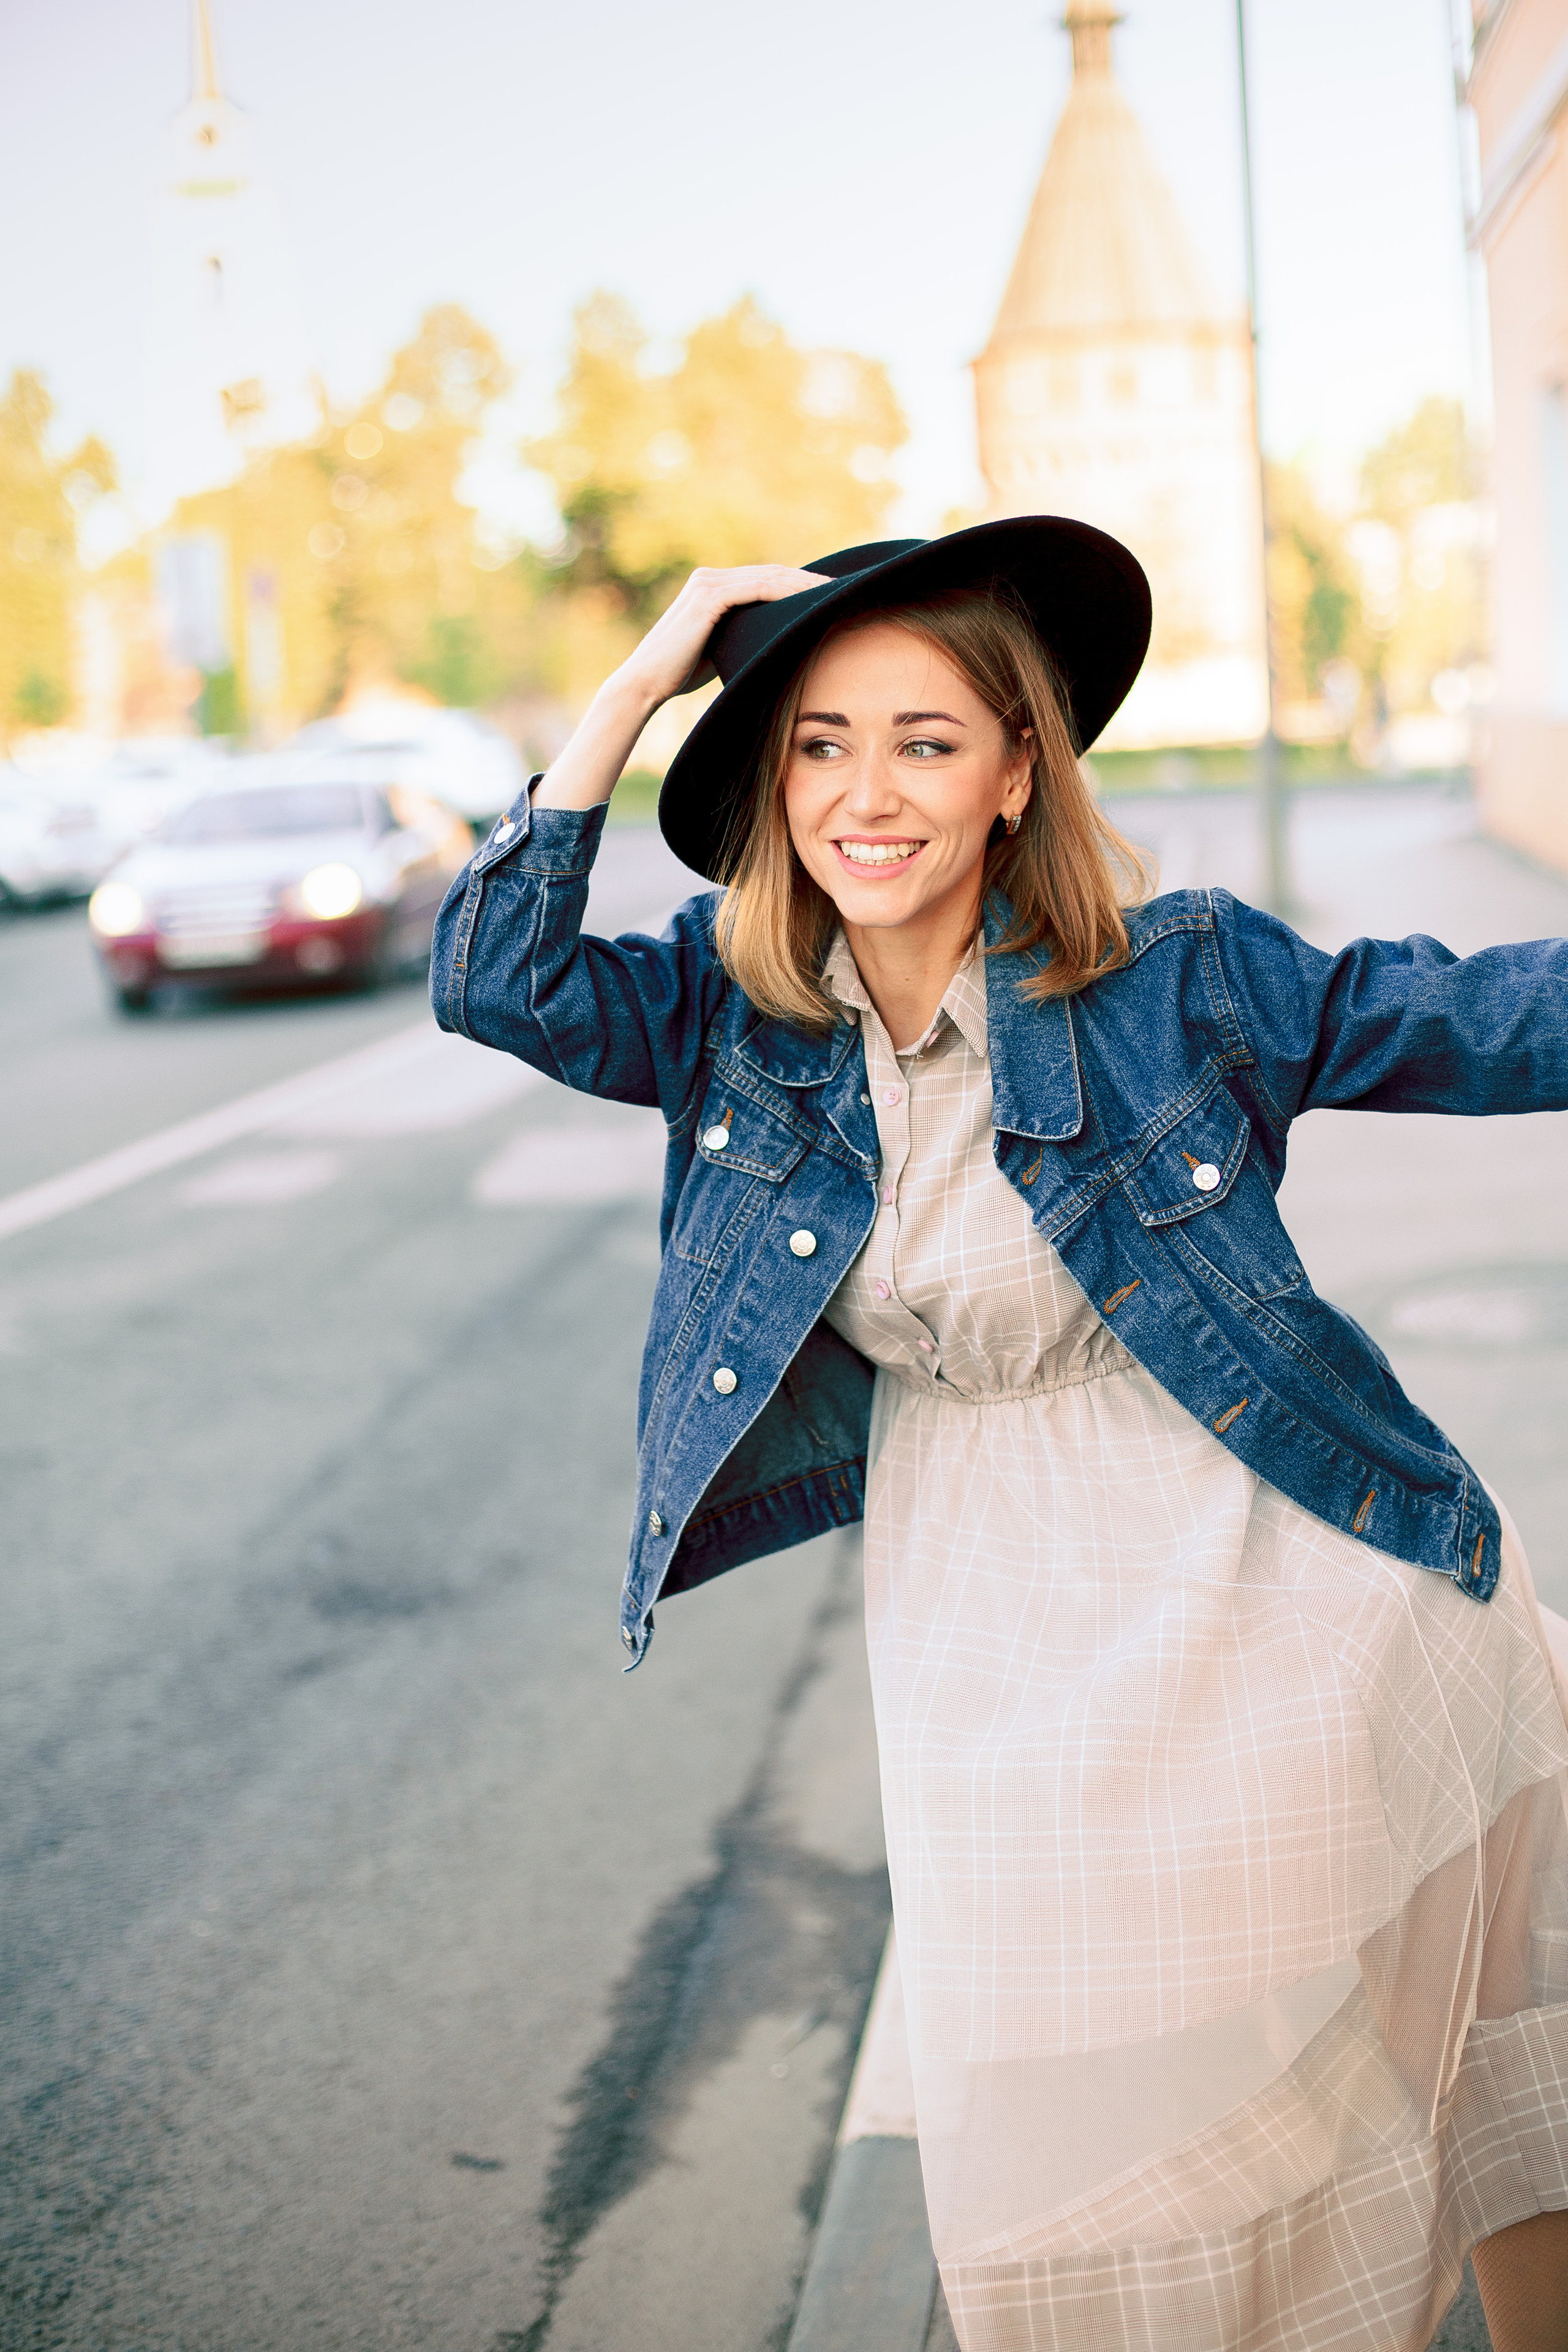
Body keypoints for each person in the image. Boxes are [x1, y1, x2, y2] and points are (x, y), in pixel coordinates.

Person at [431, 521, 1568, 2352]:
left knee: (1434, 2024)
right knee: (1064, 2090)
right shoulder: (731, 1011)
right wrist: (645, 680)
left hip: (1263, 1568)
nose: (867, 795)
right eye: (819, 742)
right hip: (979, 1594)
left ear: (1018, 771)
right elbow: (497, 976)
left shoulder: (1174, 977)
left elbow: (1472, 1018)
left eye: (927, 741)